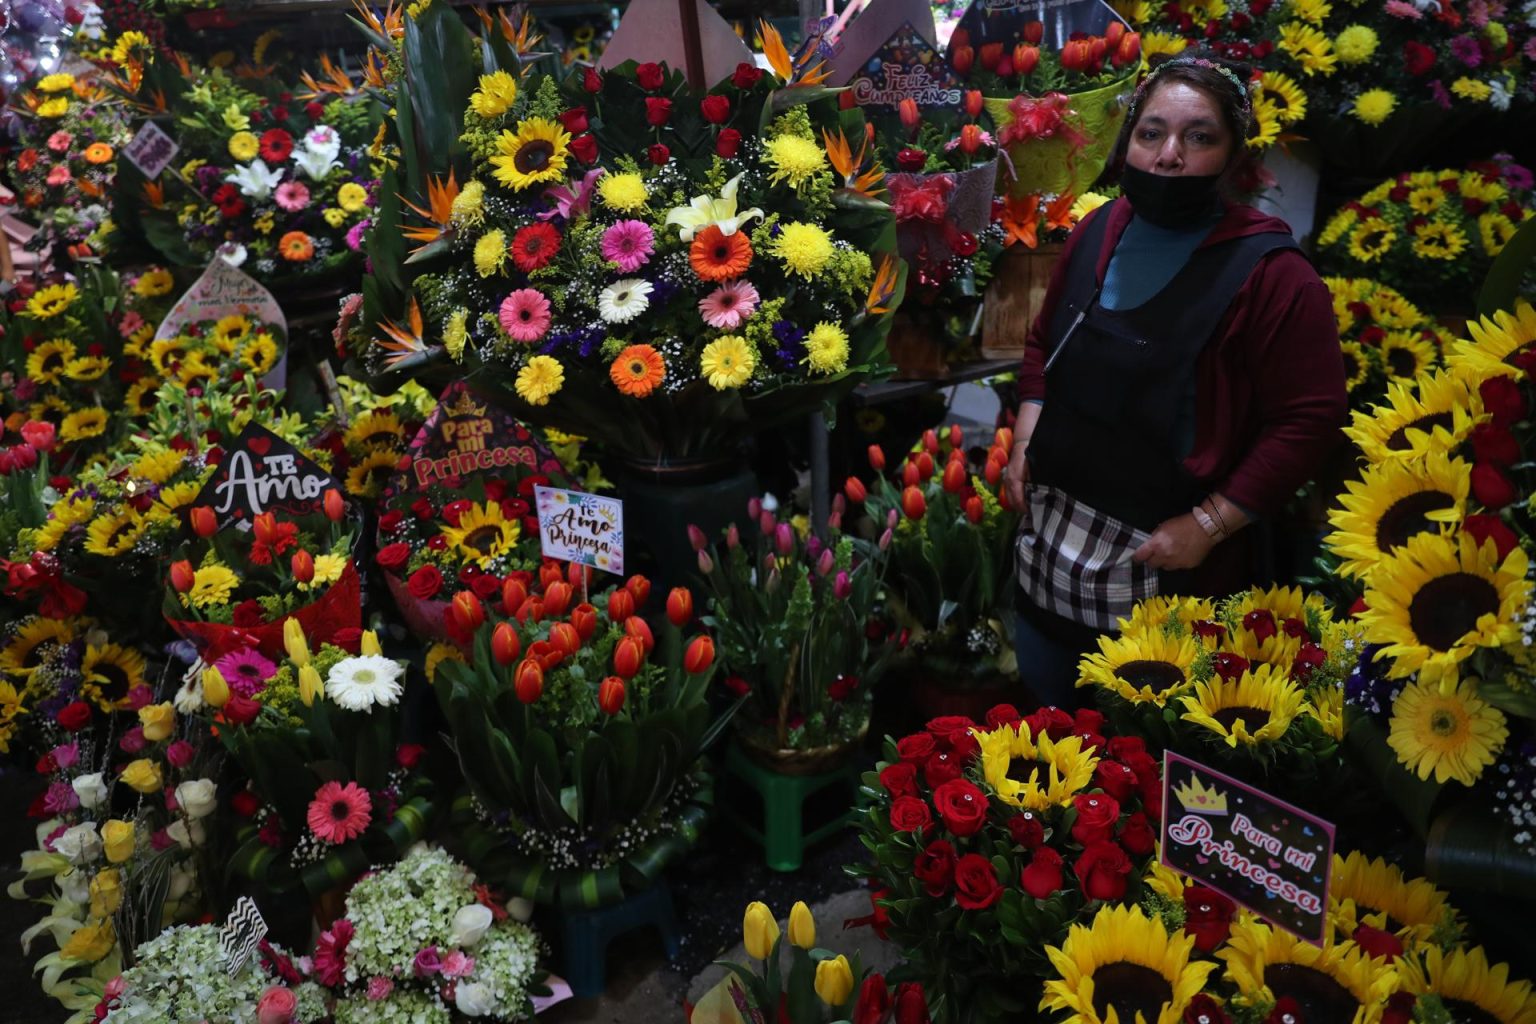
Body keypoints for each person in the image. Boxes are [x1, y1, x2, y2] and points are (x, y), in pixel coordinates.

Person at [1001, 52, 1348, 709]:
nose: (1167, 156)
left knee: (1140, 761)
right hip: (1052, 561)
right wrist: (1025, 439)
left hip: (1170, 574)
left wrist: (1212, 523)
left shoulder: (1272, 276)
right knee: (1047, 736)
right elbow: (1045, 341)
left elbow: (1312, 417)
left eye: (1199, 137)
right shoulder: (1100, 230)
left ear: (1234, 157)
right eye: (1151, 132)